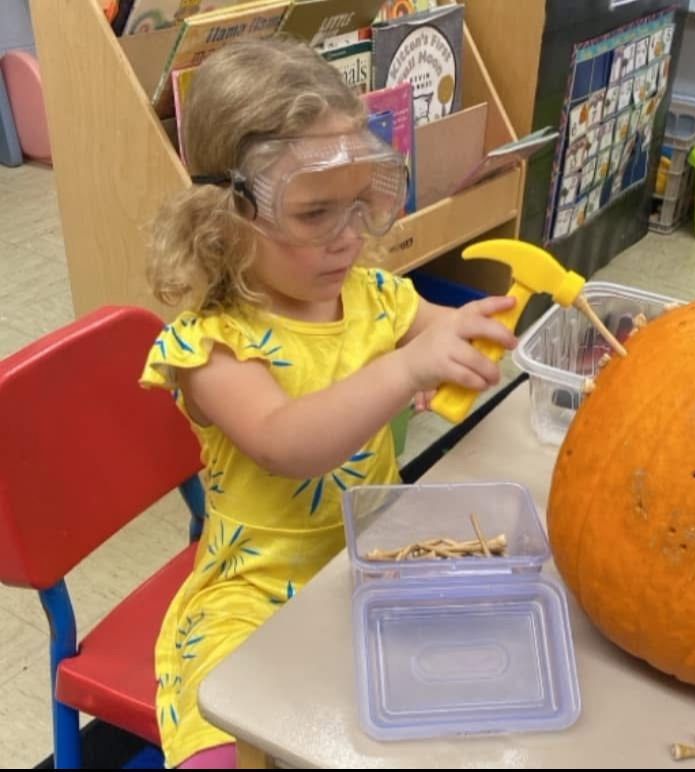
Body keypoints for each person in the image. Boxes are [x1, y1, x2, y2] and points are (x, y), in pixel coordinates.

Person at [141, 36, 517, 769]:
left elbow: (453, 339)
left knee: (458, 708)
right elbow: (289, 444)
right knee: (224, 745)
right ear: (224, 215)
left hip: (376, 561)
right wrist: (408, 369)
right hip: (256, 592)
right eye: (315, 215)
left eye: (360, 206)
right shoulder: (213, 346)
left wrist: (478, 336)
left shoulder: (370, 295)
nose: (348, 238)